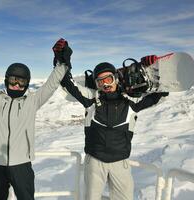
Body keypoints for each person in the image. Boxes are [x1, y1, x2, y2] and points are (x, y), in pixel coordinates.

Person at [0, 29, 72, 200]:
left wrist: (62, 63)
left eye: (21, 81)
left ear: (27, 84)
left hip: (21, 164)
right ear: (6, 80)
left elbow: (51, 84)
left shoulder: (32, 102)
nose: (16, 85)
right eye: (13, 80)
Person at [60, 56, 168, 200]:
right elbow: (68, 84)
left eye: (108, 79)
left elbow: (158, 96)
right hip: (95, 162)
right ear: (96, 84)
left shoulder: (131, 102)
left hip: (120, 163)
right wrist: (62, 58)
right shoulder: (91, 99)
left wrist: (152, 69)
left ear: (116, 78)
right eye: (100, 81)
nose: (105, 84)